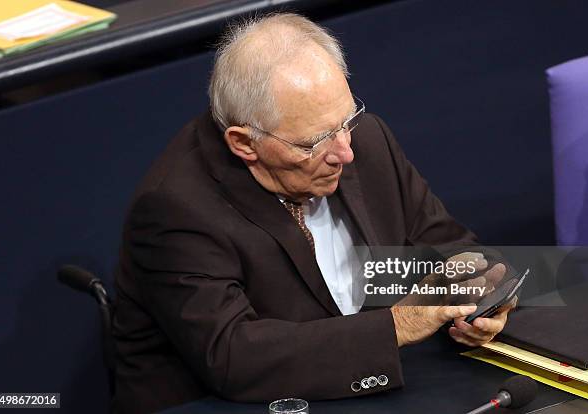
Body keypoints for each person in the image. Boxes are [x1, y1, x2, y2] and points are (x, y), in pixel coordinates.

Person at [112, 13, 513, 414]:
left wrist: (483, 301)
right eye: (315, 142)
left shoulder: (363, 140)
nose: (345, 152)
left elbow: (452, 247)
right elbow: (234, 357)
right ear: (244, 143)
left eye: (347, 121)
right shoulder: (176, 209)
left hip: (368, 390)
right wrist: (398, 326)